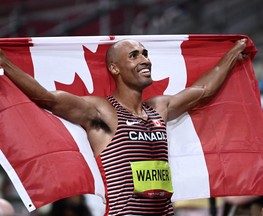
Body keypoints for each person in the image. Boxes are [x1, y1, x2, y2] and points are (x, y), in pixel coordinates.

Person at [0, 38, 247, 215]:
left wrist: (233, 53)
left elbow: (203, 91)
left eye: (145, 53)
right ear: (114, 68)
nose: (145, 60)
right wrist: (4, 62)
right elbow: (47, 98)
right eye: (134, 55)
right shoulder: (101, 112)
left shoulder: (159, 108)